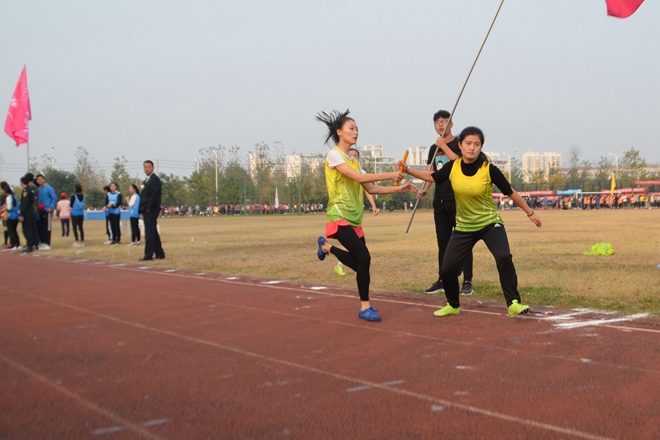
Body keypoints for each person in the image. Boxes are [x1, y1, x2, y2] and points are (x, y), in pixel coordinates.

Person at [400, 126, 541, 317]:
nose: (472, 147)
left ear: (480, 147)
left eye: (476, 144)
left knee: (503, 257)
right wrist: (407, 169)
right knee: (447, 270)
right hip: (464, 226)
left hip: (489, 223)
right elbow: (431, 177)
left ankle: (514, 303)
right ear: (460, 145)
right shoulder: (453, 167)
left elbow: (510, 192)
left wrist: (530, 213)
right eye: (468, 143)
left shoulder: (488, 169)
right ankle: (453, 305)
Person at [316, 109, 417, 322]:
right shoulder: (334, 155)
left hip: (354, 219)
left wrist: (400, 188)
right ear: (339, 132)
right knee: (364, 258)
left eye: (357, 129)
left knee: (361, 262)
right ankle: (364, 307)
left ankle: (326, 248)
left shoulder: (355, 162)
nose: (356, 132)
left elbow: (371, 188)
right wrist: (391, 174)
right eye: (351, 128)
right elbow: (357, 178)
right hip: (339, 216)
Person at [417, 110, 474, 296]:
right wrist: (425, 189)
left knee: (463, 240)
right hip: (440, 200)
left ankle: (467, 281)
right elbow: (431, 172)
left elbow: (460, 163)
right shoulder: (433, 149)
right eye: (437, 122)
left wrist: (444, 146)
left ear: (451, 124)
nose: (441, 124)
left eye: (444, 121)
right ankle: (443, 279)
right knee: (443, 243)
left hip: (458, 199)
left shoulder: (459, 143)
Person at [335, 146, 379, 277]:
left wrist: (373, 205)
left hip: (356, 214)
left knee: (359, 245)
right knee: (355, 245)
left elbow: (368, 190)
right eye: (351, 156)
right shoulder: (343, 170)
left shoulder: (361, 172)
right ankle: (341, 264)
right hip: (344, 212)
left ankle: (357, 267)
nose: (353, 158)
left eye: (356, 156)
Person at [139, 160, 165, 261]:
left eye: (148, 167)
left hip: (151, 209)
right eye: (145, 167)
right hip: (147, 208)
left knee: (149, 232)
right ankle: (159, 253)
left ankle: (148, 255)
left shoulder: (154, 179)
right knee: (153, 231)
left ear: (153, 168)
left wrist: (148, 207)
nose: (146, 169)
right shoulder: (148, 180)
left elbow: (154, 194)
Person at [35, 174, 57, 250]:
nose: (39, 180)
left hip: (47, 210)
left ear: (44, 179)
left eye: (41, 179)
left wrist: (51, 207)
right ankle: (43, 242)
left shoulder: (49, 188)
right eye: (38, 179)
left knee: (47, 227)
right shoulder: (38, 189)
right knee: (41, 227)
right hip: (39, 211)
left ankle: (47, 243)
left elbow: (54, 198)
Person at [18, 176, 38, 253]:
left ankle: (30, 246)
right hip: (31, 211)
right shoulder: (31, 190)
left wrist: (22, 214)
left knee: (27, 229)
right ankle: (34, 244)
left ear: (22, 182)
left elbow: (25, 203)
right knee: (32, 229)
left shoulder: (25, 191)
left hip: (27, 213)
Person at [1, 182, 21, 250]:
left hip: (11, 216)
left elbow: (9, 207)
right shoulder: (14, 196)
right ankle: (18, 244)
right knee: (14, 231)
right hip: (16, 215)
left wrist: (2, 210)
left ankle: (14, 244)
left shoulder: (8, 197)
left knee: (11, 231)